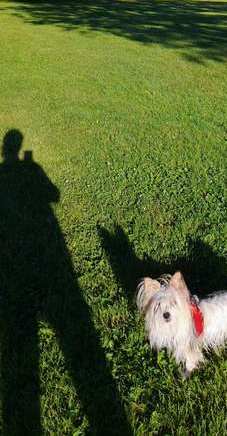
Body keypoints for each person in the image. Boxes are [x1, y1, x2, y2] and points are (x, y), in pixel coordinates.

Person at [0, 129, 130, 435]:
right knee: (75, 332)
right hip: (47, 252)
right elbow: (54, 194)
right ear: (16, 147)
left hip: (14, 259)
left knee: (17, 342)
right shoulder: (29, 169)